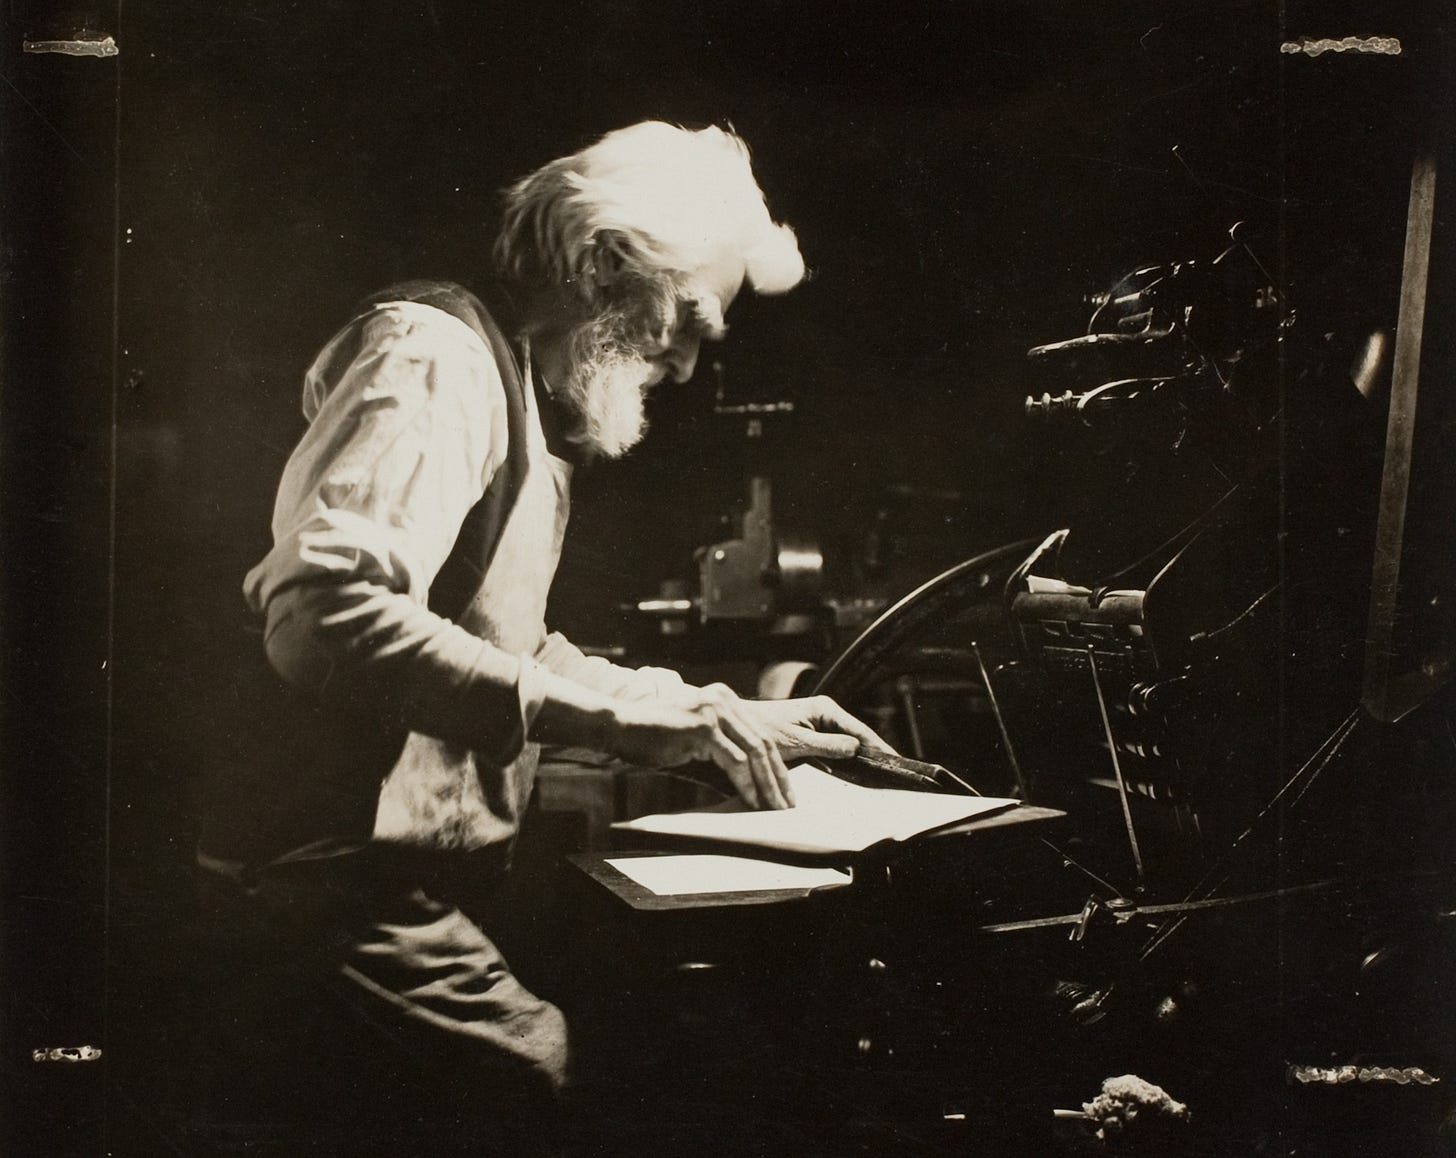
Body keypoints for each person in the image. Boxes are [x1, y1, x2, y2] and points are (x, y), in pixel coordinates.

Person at [195, 121, 890, 1142]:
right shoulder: (435, 357)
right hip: (318, 893)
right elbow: (322, 615)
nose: (690, 367)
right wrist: (638, 730)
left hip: (383, 894)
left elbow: (510, 656)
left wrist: (710, 712)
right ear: (604, 262)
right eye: (687, 322)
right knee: (548, 1098)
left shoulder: (522, 405)